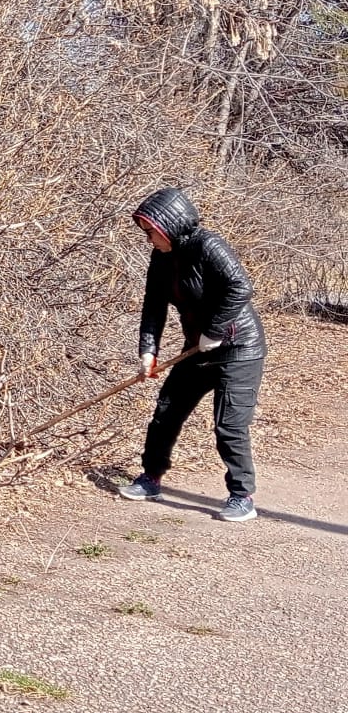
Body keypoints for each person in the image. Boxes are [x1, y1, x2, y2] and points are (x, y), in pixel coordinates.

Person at [117, 188, 266, 521]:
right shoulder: (161, 258)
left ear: (169, 224)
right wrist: (148, 352)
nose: (148, 238)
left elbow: (240, 286)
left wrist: (214, 330)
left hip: (239, 349)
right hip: (197, 351)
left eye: (150, 230)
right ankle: (151, 478)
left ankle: (242, 495)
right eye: (145, 231)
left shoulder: (208, 246)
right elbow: (153, 308)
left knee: (229, 425)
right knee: (166, 412)